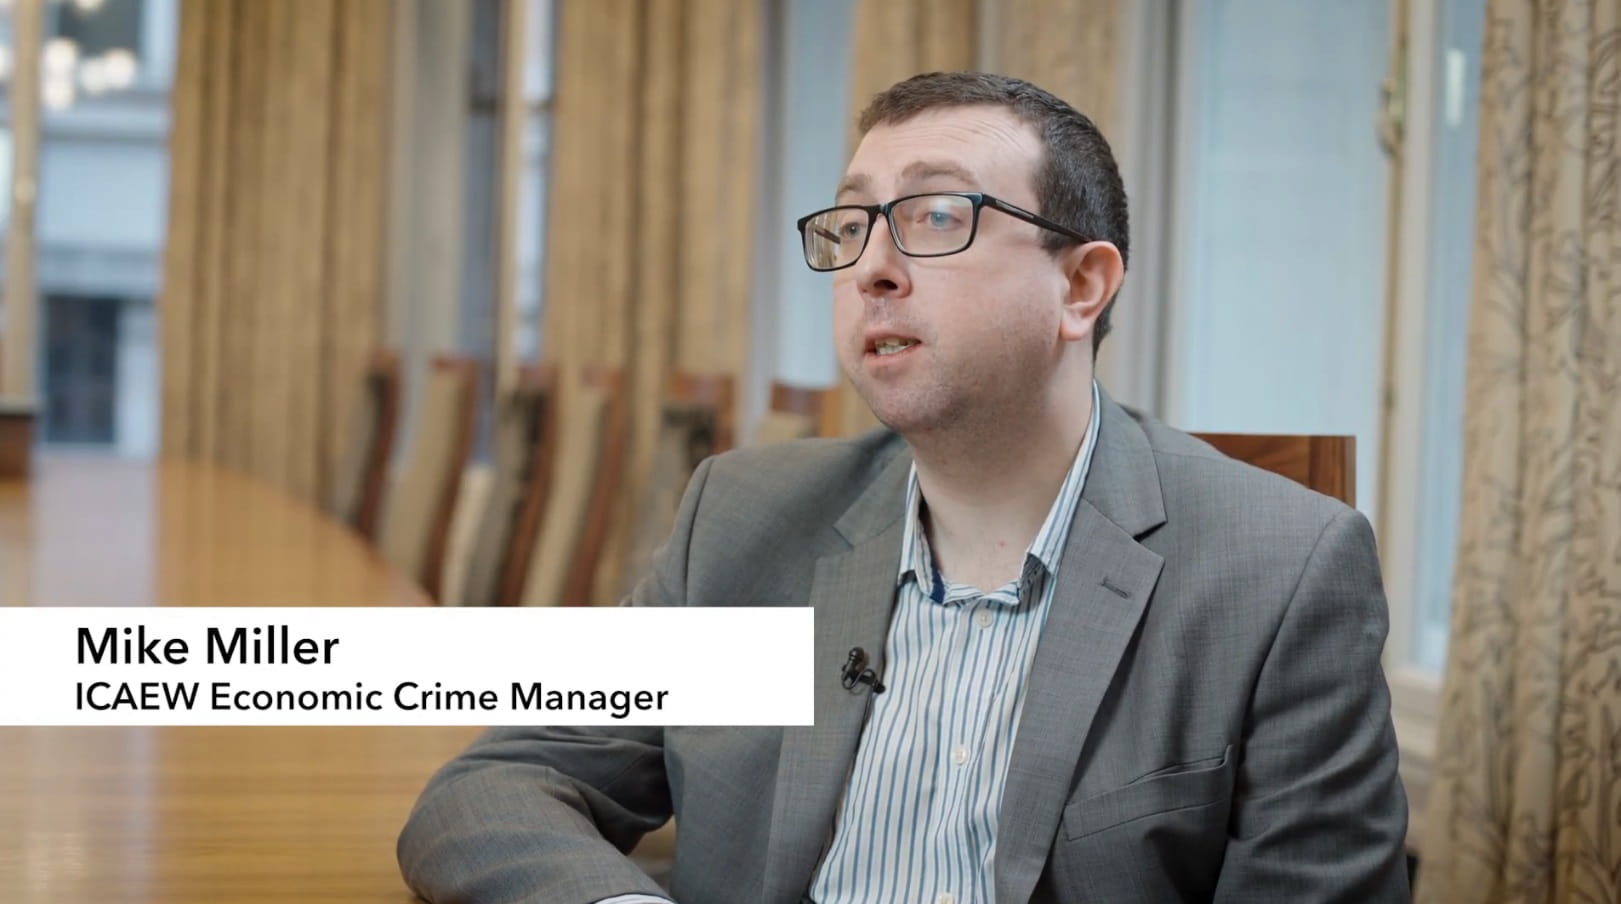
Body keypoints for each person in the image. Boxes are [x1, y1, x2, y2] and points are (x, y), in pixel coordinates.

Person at [398, 71, 1410, 904]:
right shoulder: (747, 523)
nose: (870, 269)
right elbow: (496, 786)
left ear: (1080, 285)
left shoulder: (1276, 574)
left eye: (933, 215)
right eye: (852, 224)